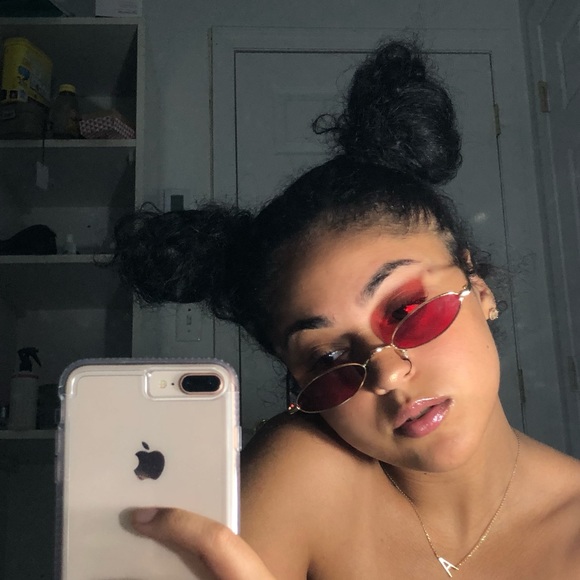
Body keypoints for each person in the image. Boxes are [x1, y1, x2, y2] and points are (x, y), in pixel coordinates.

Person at [112, 39, 580, 578]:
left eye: (407, 311)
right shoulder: (304, 474)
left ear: (479, 289)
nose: (385, 373)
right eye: (328, 358)